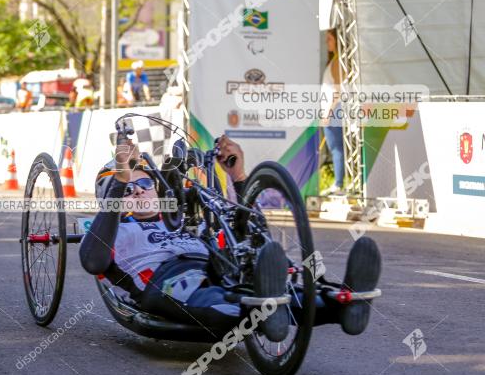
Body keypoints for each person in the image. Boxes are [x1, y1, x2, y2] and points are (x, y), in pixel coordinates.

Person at [79, 134, 381, 339]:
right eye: (125, 189)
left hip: (215, 267)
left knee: (260, 273)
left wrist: (238, 176)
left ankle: (344, 302)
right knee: (212, 298)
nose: (138, 191)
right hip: (166, 282)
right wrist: (118, 183)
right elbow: (94, 261)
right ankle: (261, 310)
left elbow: (252, 235)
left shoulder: (185, 221)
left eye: (143, 182)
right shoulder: (113, 231)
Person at [321, 28, 344, 195]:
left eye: (329, 39)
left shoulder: (337, 62)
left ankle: (338, 184)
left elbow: (338, 90)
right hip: (332, 110)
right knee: (335, 147)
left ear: (337, 40)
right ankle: (338, 183)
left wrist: (328, 112)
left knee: (336, 148)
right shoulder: (334, 61)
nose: (326, 42)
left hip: (334, 111)